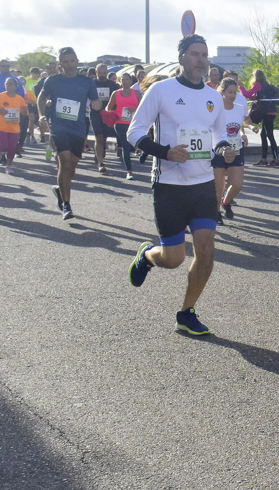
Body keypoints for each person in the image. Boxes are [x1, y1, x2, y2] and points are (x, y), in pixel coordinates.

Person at [126, 34, 237, 337]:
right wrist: (165, 152)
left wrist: (224, 148)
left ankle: (186, 312)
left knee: (206, 251)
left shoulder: (213, 96)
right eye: (195, 54)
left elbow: (217, 134)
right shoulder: (161, 91)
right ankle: (148, 255)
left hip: (202, 186)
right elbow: (133, 133)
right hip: (169, 185)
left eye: (205, 54)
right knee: (173, 258)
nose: (201, 60)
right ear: (182, 58)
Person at [37, 47, 101, 220]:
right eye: (65, 62)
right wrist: (42, 115)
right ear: (60, 64)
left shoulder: (86, 82)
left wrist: (97, 106)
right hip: (58, 126)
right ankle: (67, 205)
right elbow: (41, 98)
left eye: (72, 61)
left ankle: (60, 188)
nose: (69, 65)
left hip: (79, 127)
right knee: (64, 161)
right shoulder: (52, 80)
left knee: (71, 165)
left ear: (77, 61)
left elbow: (96, 102)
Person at [212, 77, 249, 220]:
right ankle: (216, 213)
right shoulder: (215, 110)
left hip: (236, 150)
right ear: (222, 92)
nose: (233, 95)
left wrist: (243, 135)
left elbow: (239, 127)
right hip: (219, 151)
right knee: (218, 186)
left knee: (237, 184)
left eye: (235, 92)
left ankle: (226, 202)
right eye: (230, 92)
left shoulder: (239, 109)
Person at [106, 71, 142, 180]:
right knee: (126, 146)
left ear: (131, 81)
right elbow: (108, 107)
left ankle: (138, 156)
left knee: (134, 144)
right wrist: (110, 114)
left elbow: (143, 107)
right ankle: (129, 171)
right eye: (123, 79)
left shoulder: (136, 93)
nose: (125, 82)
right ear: (119, 81)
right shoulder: (116, 93)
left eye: (127, 79)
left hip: (133, 123)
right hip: (120, 123)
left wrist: (134, 110)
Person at [0, 76, 28, 174]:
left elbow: (24, 112)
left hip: (14, 127)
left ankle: (9, 166)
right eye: (7, 84)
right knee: (3, 147)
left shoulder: (20, 99)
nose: (8, 86)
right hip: (1, 126)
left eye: (11, 84)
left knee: (12, 148)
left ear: (16, 86)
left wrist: (24, 110)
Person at [245, 69, 279, 166]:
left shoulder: (258, 84)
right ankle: (265, 159)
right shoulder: (266, 85)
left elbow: (247, 95)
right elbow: (253, 97)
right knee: (264, 135)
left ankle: (275, 160)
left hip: (266, 112)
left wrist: (240, 87)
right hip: (271, 111)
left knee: (269, 135)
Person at [89, 64, 120, 173]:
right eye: (99, 73)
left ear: (107, 72)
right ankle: (100, 163)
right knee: (99, 137)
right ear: (96, 73)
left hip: (107, 114)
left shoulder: (112, 85)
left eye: (104, 73)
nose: (102, 75)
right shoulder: (91, 84)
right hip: (95, 114)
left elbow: (118, 98)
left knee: (104, 137)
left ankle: (99, 153)